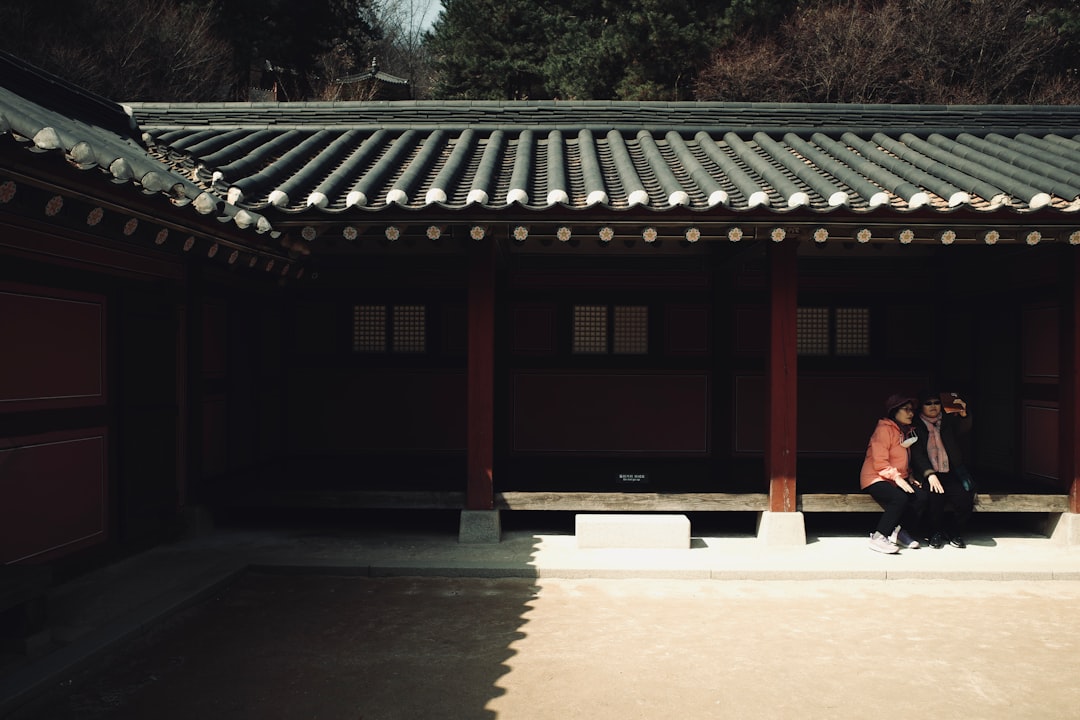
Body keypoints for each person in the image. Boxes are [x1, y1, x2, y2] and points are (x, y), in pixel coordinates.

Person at [860, 393, 929, 554]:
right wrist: (898, 478)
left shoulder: (906, 431)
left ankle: (899, 532)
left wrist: (909, 475)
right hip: (875, 477)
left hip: (895, 478)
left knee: (921, 497)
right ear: (894, 411)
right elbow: (879, 462)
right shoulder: (884, 430)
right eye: (906, 409)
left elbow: (903, 459)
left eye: (912, 410)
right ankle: (879, 537)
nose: (911, 413)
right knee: (899, 498)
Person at [909, 390, 976, 548]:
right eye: (928, 403)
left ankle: (953, 531)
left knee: (964, 499)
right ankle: (934, 532)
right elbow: (917, 453)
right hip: (928, 473)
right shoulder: (915, 425)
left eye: (936, 403)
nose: (933, 406)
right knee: (934, 499)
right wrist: (929, 474)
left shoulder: (947, 421)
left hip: (950, 471)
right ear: (921, 407)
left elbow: (963, 430)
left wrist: (964, 414)